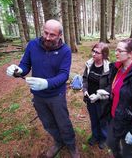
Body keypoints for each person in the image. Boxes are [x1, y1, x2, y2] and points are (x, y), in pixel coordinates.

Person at [6, 19, 80, 158]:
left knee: (63, 122)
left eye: (52, 35)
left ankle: (71, 145)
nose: (47, 37)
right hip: (38, 95)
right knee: (47, 122)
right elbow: (25, 65)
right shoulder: (33, 45)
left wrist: (47, 83)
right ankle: (59, 142)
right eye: (45, 32)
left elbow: (64, 75)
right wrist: (17, 70)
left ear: (60, 36)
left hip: (56, 95)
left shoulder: (65, 51)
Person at [82, 42, 110, 149]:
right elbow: (84, 78)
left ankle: (103, 138)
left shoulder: (108, 68)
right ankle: (95, 136)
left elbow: (111, 86)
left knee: (102, 120)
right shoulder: (89, 64)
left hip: (102, 101)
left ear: (104, 55)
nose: (93, 54)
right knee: (93, 119)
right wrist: (85, 90)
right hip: (90, 99)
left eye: (97, 52)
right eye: (93, 51)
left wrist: (99, 95)